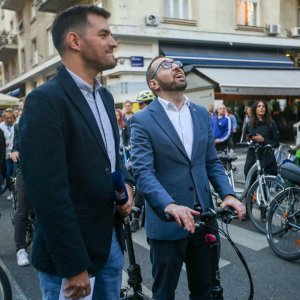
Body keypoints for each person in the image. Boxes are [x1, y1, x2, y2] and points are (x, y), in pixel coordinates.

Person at [18, 5, 134, 300]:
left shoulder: (105, 97)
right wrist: (73, 265)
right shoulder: (45, 100)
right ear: (75, 41)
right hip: (71, 258)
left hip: (109, 243)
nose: (114, 42)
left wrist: (128, 187)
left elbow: (112, 158)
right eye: (104, 34)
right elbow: (47, 192)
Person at [130, 55, 245, 300]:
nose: (177, 67)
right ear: (154, 83)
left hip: (204, 220)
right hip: (167, 224)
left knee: (205, 291)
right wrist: (168, 205)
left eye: (178, 64)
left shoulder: (201, 113)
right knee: (164, 293)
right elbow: (142, 172)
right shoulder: (142, 120)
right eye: (166, 65)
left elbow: (210, 162)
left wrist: (228, 194)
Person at [130, 89, 156, 233]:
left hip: (159, 162)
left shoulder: (160, 117)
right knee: (140, 188)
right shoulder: (138, 118)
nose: (140, 107)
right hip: (145, 162)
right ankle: (135, 217)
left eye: (142, 104)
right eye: (140, 105)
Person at [10, 102, 31, 267]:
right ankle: (20, 249)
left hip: (43, 173)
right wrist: (14, 152)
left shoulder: (46, 122)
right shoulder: (18, 126)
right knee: (22, 210)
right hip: (24, 170)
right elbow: (15, 146)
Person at [244, 100, 279, 178]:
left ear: (266, 109)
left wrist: (264, 140)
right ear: (255, 109)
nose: (261, 108)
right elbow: (244, 139)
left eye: (263, 106)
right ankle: (253, 191)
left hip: (267, 154)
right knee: (249, 174)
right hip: (253, 153)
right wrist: (250, 138)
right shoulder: (249, 124)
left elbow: (276, 143)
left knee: (270, 178)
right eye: (259, 106)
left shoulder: (271, 123)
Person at [0, 108, 16, 200]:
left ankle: (15, 192)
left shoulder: (17, 126)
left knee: (14, 175)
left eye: (11, 118)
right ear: (3, 118)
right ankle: (11, 191)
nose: (9, 120)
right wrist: (3, 142)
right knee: (7, 174)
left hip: (15, 154)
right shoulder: (0, 126)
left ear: (13, 118)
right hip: (5, 155)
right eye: (7, 118)